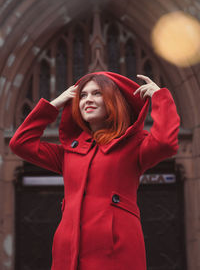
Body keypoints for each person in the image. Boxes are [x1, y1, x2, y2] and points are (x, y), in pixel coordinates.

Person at [9, 71, 180, 270]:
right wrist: (54, 104)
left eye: (97, 93)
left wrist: (160, 98)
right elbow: (20, 143)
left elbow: (166, 143)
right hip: (67, 252)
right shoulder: (69, 152)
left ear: (113, 99)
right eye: (82, 95)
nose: (87, 100)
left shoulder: (133, 145)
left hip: (116, 253)